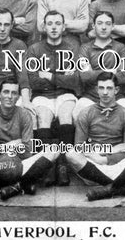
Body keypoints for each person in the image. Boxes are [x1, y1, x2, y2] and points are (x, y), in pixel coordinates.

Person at [66, 72, 125, 201]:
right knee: (71, 154)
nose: (105, 92)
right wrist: (110, 150)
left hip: (119, 165)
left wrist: (106, 159)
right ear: (97, 90)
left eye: (109, 88)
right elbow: (79, 147)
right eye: (101, 88)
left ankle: (109, 189)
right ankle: (122, 187)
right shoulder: (86, 113)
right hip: (94, 166)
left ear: (116, 90)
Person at [25, 10, 80, 186]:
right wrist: (62, 77)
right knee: (44, 117)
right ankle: (48, 164)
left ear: (64, 27)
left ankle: (62, 164)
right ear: (44, 27)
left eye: (58, 23)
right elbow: (33, 81)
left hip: (65, 95)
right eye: (50, 23)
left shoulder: (71, 48)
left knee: (66, 116)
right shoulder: (34, 49)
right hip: (42, 96)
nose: (54, 27)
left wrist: (48, 76)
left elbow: (75, 81)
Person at [73, 10, 125, 122]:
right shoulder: (85, 48)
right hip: (91, 96)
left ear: (113, 26)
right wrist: (111, 72)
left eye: (108, 24)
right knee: (77, 114)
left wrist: (94, 73)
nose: (103, 27)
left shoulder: (121, 48)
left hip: (116, 96)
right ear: (93, 26)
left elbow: (122, 77)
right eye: (100, 23)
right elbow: (84, 76)